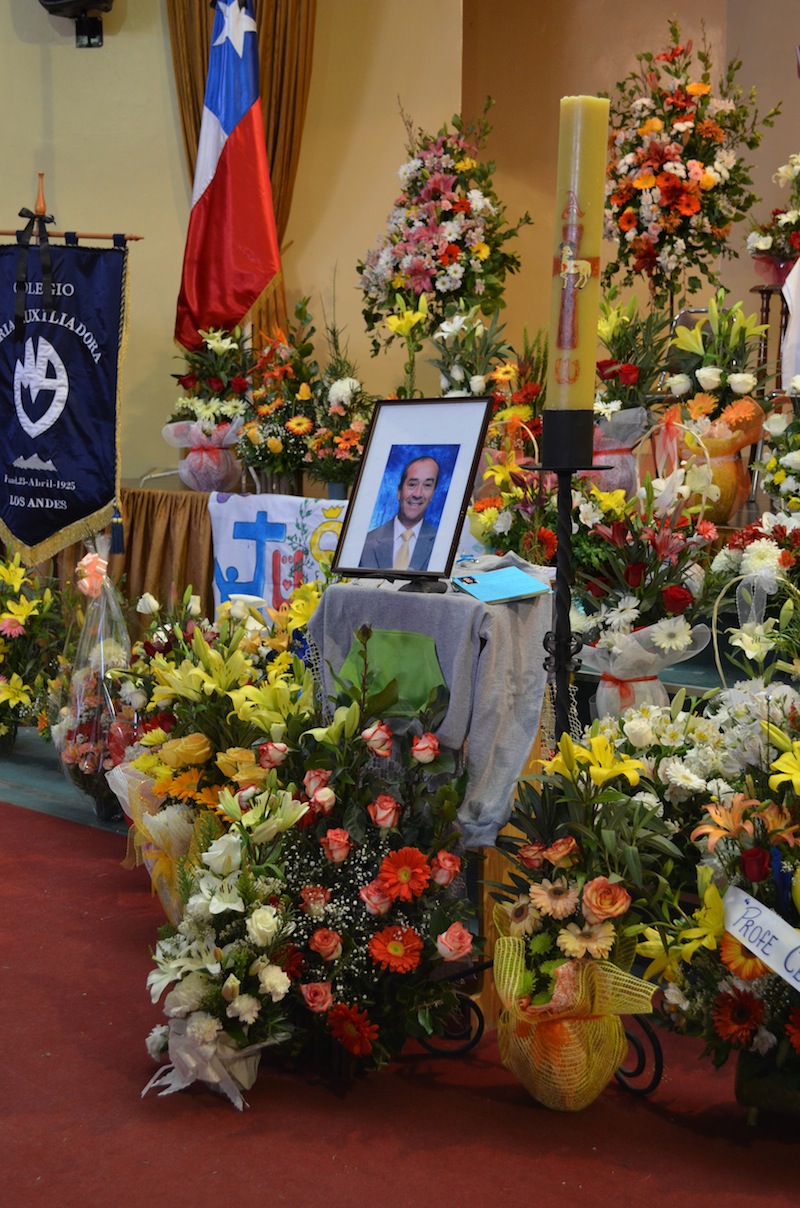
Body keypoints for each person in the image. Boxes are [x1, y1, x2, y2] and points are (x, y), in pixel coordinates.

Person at [359, 454, 440, 572]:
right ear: (399, 491)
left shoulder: (441, 544)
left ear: (432, 494)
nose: (418, 494)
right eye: (412, 484)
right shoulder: (366, 542)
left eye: (427, 485)